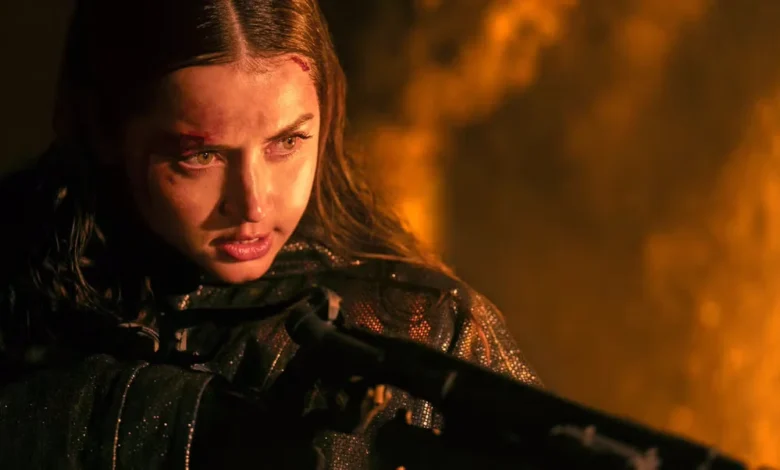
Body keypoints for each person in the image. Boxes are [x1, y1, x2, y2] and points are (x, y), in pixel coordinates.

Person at [0, 0, 541, 468]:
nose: (254, 204)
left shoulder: (420, 328)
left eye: (287, 142)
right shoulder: (18, 293)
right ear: (104, 129)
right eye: (201, 156)